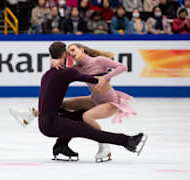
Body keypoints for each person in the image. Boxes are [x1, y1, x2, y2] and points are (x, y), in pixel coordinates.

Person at [10, 43, 138, 162]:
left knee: (79, 115)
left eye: (73, 50)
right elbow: (91, 79)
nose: (71, 54)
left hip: (46, 122)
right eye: (68, 52)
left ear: (82, 49)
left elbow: (121, 67)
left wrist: (106, 76)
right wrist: (103, 78)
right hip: (52, 124)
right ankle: (127, 141)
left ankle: (60, 146)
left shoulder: (49, 73)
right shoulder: (70, 71)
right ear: (65, 55)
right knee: (89, 129)